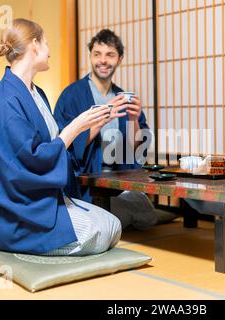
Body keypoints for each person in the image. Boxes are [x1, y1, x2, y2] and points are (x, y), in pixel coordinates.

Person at [0, 19, 123, 256]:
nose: (49, 51)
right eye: (47, 43)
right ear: (34, 45)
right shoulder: (6, 100)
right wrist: (76, 126)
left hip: (40, 199)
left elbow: (52, 148)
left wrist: (82, 127)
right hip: (16, 209)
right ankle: (16, 240)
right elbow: (30, 160)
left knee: (113, 225)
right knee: (102, 231)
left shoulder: (36, 93)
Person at [54, 29, 164, 231]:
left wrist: (133, 119)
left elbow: (138, 149)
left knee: (145, 213)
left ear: (119, 59)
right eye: (97, 54)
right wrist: (105, 115)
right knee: (120, 216)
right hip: (87, 183)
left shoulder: (123, 97)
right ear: (91, 57)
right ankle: (103, 217)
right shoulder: (72, 95)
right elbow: (63, 143)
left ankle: (110, 217)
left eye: (110, 55)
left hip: (119, 183)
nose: (103, 60)